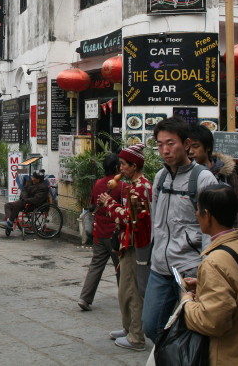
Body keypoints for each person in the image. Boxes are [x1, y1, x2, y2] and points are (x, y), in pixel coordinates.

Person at [142, 116, 216, 342]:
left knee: (195, 328)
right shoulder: (160, 177)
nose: (165, 150)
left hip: (190, 268)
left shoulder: (204, 179)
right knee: (151, 325)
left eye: (170, 143)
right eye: (160, 144)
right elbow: (156, 221)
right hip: (160, 267)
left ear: (186, 144)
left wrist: (206, 267)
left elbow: (210, 230)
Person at [181, 184, 238, 365]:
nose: (196, 215)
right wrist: (204, 284)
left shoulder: (215, 261)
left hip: (231, 355)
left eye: (198, 210)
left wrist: (186, 302)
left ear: (209, 215)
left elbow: (212, 322)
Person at [98, 144, 152, 352]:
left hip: (134, 244)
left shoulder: (140, 188)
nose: (120, 169)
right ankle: (128, 327)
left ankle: (136, 336)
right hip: (127, 242)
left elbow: (131, 219)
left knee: (131, 290)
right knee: (124, 290)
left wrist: (109, 203)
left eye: (123, 165)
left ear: (134, 165)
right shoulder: (135, 185)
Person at [77, 153, 121, 311]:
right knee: (120, 267)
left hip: (99, 231)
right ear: (117, 167)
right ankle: (125, 298)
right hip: (115, 233)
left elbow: (91, 203)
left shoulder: (98, 184)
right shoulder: (121, 186)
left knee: (95, 265)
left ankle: (85, 298)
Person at [188, 124, 238, 235]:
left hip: (223, 238)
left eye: (195, 146)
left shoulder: (226, 173)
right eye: (188, 147)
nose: (191, 151)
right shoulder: (184, 175)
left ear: (208, 147)